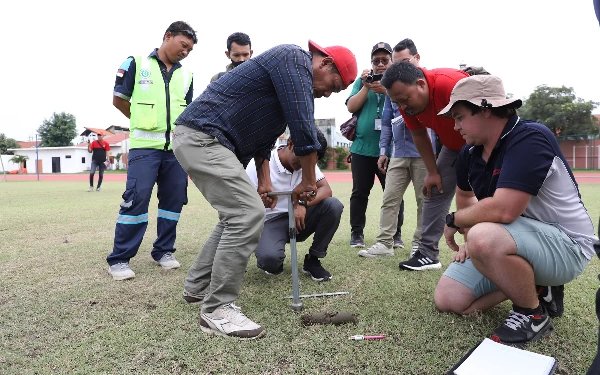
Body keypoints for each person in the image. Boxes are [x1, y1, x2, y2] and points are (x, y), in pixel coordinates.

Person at [172, 40, 357, 340]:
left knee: (235, 215)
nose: (326, 94)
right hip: (204, 136)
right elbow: (303, 127)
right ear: (324, 63)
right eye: (332, 86)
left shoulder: (285, 84)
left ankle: (196, 286)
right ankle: (217, 309)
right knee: (246, 213)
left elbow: (264, 139)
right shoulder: (293, 58)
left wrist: (264, 181)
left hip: (207, 139)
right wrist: (308, 180)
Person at [433, 75, 597, 347]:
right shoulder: (470, 152)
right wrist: (468, 239)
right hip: (515, 239)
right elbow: (465, 194)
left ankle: (532, 314)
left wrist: (456, 221)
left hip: (568, 246)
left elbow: (505, 210)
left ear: (485, 109)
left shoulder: (529, 138)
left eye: (460, 117)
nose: (456, 126)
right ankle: (535, 288)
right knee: (449, 299)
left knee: (483, 237)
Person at [106, 21, 196, 281]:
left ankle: (164, 251)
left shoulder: (187, 75)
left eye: (190, 49)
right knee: (136, 199)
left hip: (175, 151)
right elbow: (119, 99)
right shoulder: (136, 63)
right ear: (168, 36)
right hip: (145, 149)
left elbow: (188, 111)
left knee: (174, 201)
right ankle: (120, 258)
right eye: (183, 45)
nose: (186, 52)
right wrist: (139, 120)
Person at [381, 61, 469, 270]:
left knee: (489, 195)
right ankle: (427, 254)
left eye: (404, 100)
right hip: (453, 146)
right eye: (397, 103)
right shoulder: (407, 104)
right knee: (435, 190)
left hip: (483, 144)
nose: (403, 107)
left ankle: (489, 249)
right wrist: (432, 172)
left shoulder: (452, 85)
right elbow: (419, 134)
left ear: (421, 84)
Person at [358, 38, 426, 258]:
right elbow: (386, 122)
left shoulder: (426, 83)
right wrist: (383, 151)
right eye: (397, 63)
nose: (401, 66)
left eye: (405, 61)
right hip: (398, 152)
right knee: (389, 199)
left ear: (417, 58)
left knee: (424, 200)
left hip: (423, 153)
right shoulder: (392, 88)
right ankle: (385, 243)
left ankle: (421, 244)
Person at [247, 130, 343, 281]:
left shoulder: (308, 160)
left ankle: (313, 260)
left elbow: (326, 189)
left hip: (300, 218)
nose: (305, 167)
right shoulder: (259, 165)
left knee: (333, 205)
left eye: (312, 162)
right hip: (271, 220)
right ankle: (274, 256)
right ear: (291, 144)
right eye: (303, 161)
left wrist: (302, 203)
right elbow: (245, 205)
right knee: (269, 261)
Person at [346, 42, 404, 249]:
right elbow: (351, 106)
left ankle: (396, 235)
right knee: (359, 192)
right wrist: (365, 86)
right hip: (362, 148)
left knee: (393, 193)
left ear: (392, 61)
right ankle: (357, 234)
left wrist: (387, 91)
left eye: (384, 60)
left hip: (391, 149)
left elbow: (406, 103)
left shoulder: (398, 81)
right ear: (371, 63)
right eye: (376, 60)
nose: (380, 64)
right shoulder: (363, 81)